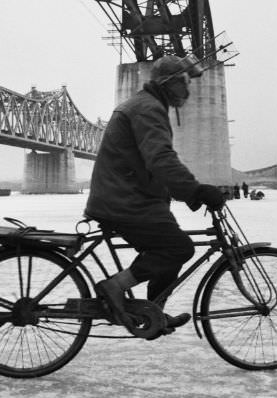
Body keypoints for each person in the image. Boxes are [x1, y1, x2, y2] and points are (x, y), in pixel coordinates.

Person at [84, 54, 225, 338]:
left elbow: (156, 160)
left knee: (169, 245)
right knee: (177, 248)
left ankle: (153, 310)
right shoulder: (148, 109)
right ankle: (116, 286)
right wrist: (195, 191)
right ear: (169, 83)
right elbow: (160, 159)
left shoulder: (149, 105)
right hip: (124, 199)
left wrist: (187, 191)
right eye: (185, 82)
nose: (188, 89)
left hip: (132, 197)